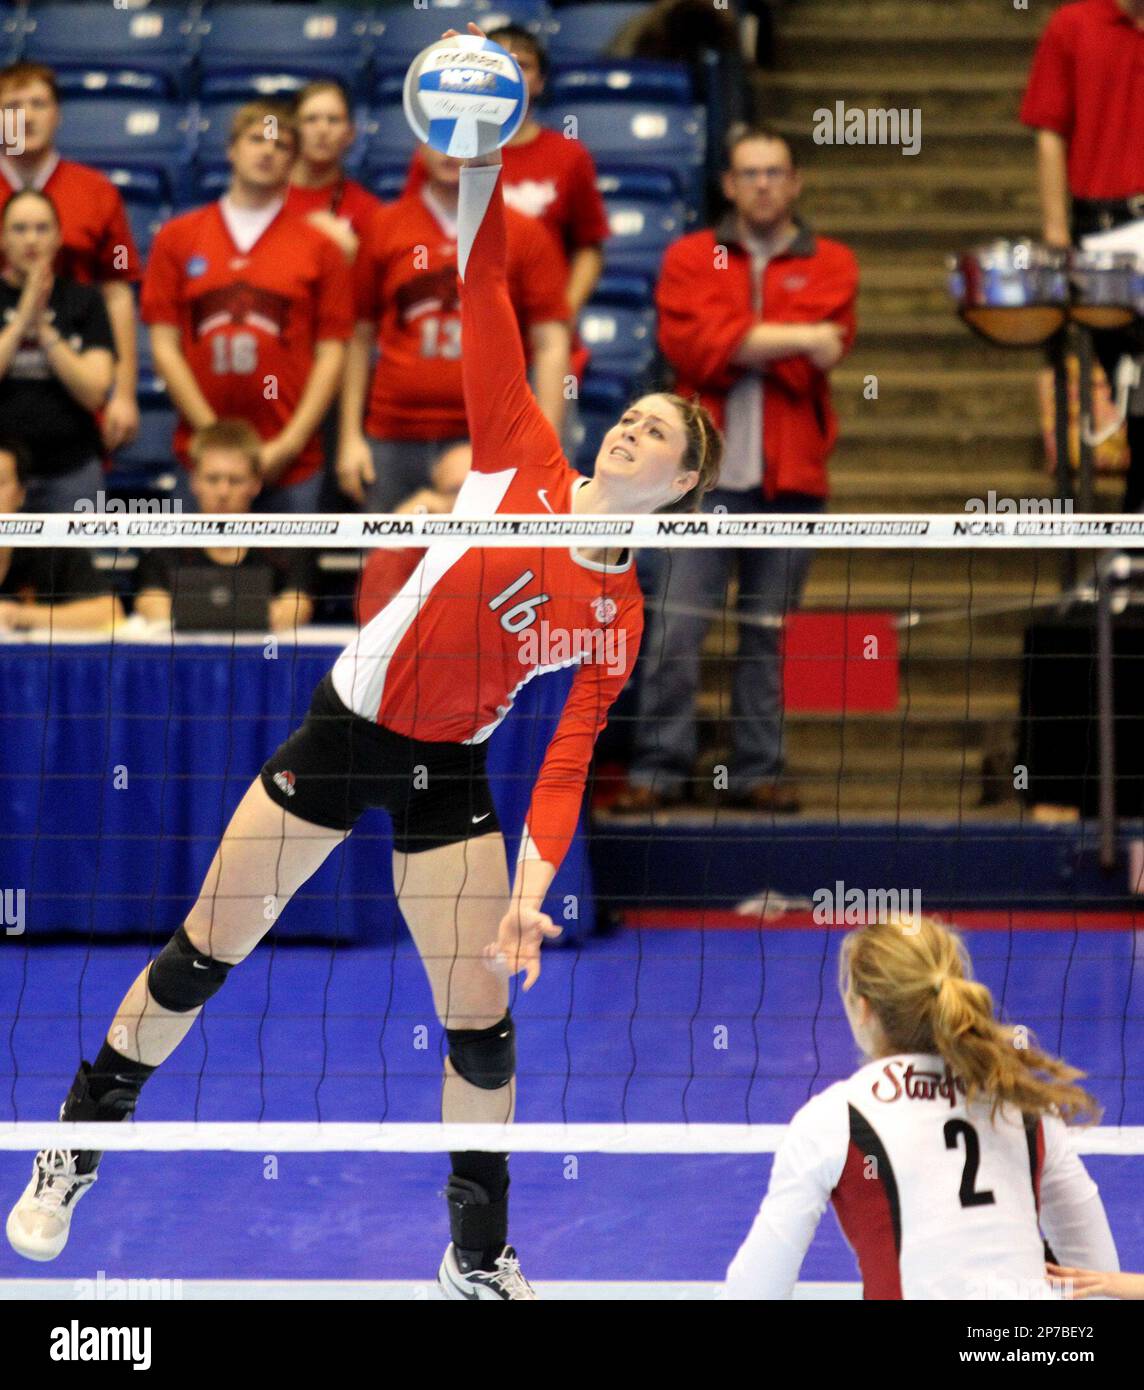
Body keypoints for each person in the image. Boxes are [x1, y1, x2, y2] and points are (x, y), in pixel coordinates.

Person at [5, 24, 722, 1301]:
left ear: (677, 488)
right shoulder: (516, 455)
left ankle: (479, 1253)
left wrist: (531, 889)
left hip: (453, 770)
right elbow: (484, 286)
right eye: (630, 410)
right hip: (346, 730)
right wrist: (481, 164)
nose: (628, 423)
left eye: (654, 430)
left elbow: (566, 751)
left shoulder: (617, 615)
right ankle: (70, 1149)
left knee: (483, 1025)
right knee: (202, 955)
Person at [614, 123, 857, 815]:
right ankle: (659, 770)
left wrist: (751, 341)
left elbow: (828, 347)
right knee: (674, 629)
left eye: (775, 172)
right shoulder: (692, 255)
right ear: (727, 183)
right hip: (696, 487)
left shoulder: (833, 260)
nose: (762, 184)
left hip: (793, 484)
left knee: (771, 636)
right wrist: (795, 337)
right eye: (749, 173)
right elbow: (694, 350)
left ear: (796, 181)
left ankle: (758, 770)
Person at [724, 917, 1118, 1300]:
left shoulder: (834, 1119)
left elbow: (755, 1291)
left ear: (863, 1009)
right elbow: (1102, 1281)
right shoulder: (1025, 1103)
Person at [140, 101, 354, 514]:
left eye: (281, 145)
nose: (267, 151)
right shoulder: (177, 237)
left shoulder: (320, 248)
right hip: (202, 458)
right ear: (232, 150)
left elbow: (333, 352)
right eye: (256, 139)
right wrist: (213, 437)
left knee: (291, 582)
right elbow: (164, 345)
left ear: (293, 161)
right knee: (196, 580)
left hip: (292, 459)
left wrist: (289, 443)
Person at [337, 142, 570, 510]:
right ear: (418, 145)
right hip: (393, 433)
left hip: (490, 436)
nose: (449, 152)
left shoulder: (524, 233)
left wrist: (545, 446)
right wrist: (350, 436)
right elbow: (359, 335)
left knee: (484, 565)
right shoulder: (384, 226)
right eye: (439, 138)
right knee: (389, 564)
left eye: (462, 141)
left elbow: (552, 343)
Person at [402, 24, 609, 383]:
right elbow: (415, 230)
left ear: (541, 82)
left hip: (537, 334)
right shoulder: (442, 150)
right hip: (464, 325)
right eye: (494, 61)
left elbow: (590, 247)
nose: (510, 70)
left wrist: (561, 314)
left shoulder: (567, 155)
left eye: (523, 65)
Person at [1020, 0, 1144, 510]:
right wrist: (1056, 232)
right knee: (1131, 389)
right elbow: (1050, 133)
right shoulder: (1074, 24)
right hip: (1104, 230)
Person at [0, 62, 140, 452]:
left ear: (58, 114)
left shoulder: (96, 191)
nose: (26, 117)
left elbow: (117, 294)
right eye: (12, 105)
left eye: (38, 104)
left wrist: (124, 392)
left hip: (74, 381)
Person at [133, 421, 314, 633]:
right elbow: (149, 603)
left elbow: (298, 606)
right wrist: (245, 614)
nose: (223, 492)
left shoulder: (286, 548)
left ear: (255, 484)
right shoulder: (164, 547)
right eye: (212, 479)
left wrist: (194, 612)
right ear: (194, 482)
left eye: (235, 480)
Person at [0, 189, 116, 512]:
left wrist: (43, 328)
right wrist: (22, 319)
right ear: (2, 239)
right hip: (2, 471)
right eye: (19, 229)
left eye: (42, 228)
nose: (31, 240)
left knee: (74, 564)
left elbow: (94, 392)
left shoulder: (85, 301)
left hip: (71, 468)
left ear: (59, 237)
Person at [0, 438, 124, 632]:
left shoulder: (53, 549)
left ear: (21, 493)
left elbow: (110, 612)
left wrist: (16, 615)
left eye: (0, 482)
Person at [355, 441, 470, 625]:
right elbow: (372, 614)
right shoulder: (416, 547)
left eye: (470, 491)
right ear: (436, 491)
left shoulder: (506, 543)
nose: (462, 502)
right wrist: (399, 528)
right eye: (455, 491)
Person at [285, 80, 386, 264]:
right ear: (293, 130)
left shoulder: (368, 209)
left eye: (333, 120)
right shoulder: (267, 199)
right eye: (311, 119)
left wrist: (353, 255)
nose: (322, 130)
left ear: (350, 133)